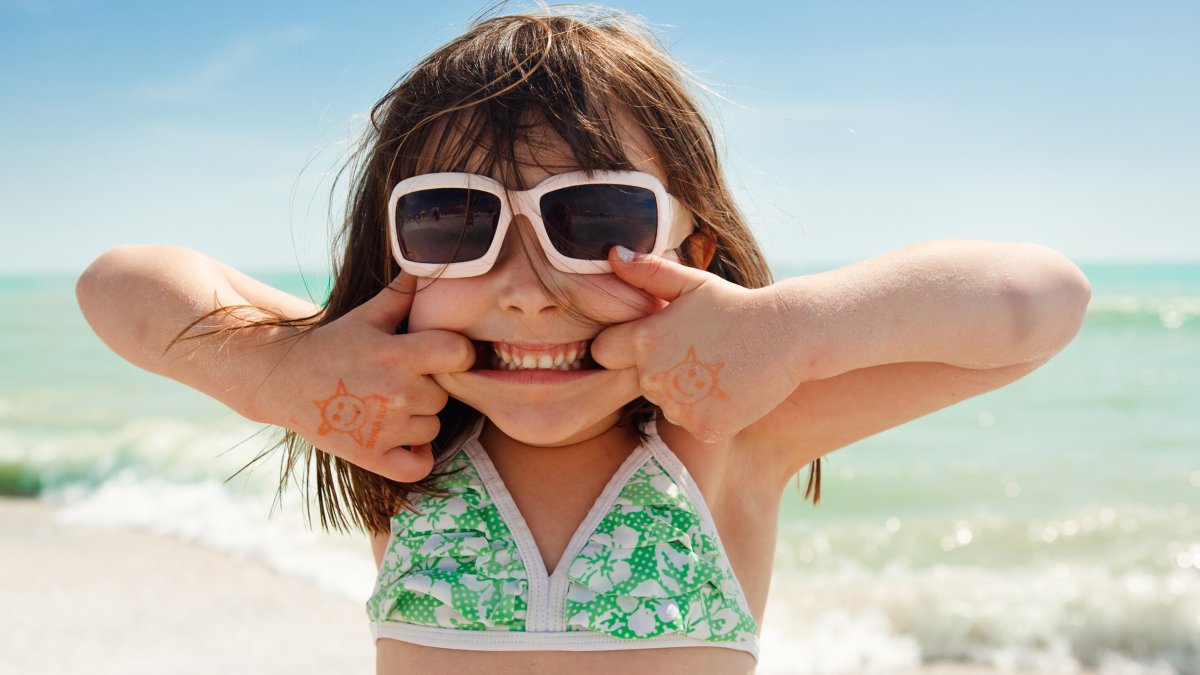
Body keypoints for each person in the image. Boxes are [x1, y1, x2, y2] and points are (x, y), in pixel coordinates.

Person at [75, 6, 1091, 674]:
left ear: (689, 245)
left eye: (596, 221)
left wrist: (792, 330)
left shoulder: (729, 436)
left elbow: (1037, 302)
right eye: (454, 222)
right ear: (394, 257)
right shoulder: (386, 425)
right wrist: (275, 368)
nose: (528, 292)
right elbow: (117, 284)